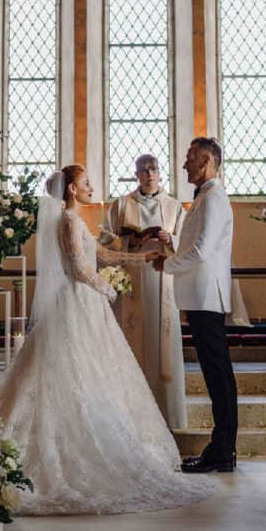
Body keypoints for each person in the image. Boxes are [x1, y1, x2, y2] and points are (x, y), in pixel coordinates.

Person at [0, 164, 214, 515]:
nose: (91, 187)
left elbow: (101, 255)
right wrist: (106, 288)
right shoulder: (68, 221)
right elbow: (79, 268)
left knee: (92, 373)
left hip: (86, 302)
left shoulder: (77, 220)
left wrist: (143, 259)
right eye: (85, 183)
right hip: (76, 301)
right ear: (70, 190)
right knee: (74, 371)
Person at [150, 137, 237, 474]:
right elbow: (195, 242)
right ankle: (222, 448)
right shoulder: (205, 198)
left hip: (206, 296)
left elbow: (202, 251)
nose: (184, 164)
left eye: (189, 158)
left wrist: (166, 264)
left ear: (205, 160)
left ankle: (223, 449)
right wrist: (171, 245)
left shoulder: (214, 198)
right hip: (199, 295)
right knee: (216, 373)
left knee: (219, 375)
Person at [100, 153, 187, 429]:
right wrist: (132, 239)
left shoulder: (174, 207)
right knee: (132, 344)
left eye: (154, 169)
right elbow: (104, 244)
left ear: (161, 173)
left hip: (164, 283)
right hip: (132, 285)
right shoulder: (121, 205)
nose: (149, 174)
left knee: (163, 349)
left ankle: (168, 417)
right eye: (143, 170)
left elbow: (188, 242)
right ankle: (130, 420)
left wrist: (169, 238)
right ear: (136, 174)